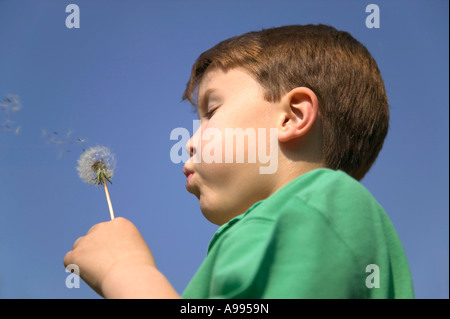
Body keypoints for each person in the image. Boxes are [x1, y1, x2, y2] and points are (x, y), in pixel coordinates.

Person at [64, 24, 414, 299]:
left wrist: (125, 272)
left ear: (291, 117)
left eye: (211, 111)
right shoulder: (276, 228)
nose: (188, 143)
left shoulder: (325, 205)